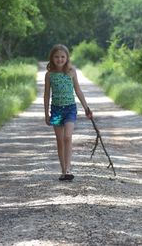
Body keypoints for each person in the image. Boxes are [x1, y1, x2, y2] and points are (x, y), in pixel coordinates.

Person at [44, 44, 92, 181]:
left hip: (70, 109)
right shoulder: (49, 75)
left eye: (62, 57)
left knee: (67, 137)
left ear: (67, 58)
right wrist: (46, 113)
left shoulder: (71, 71)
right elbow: (47, 95)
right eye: (57, 57)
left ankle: (69, 168)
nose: (60, 59)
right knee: (60, 140)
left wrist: (86, 108)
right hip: (56, 110)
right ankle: (63, 170)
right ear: (52, 58)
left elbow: (78, 90)